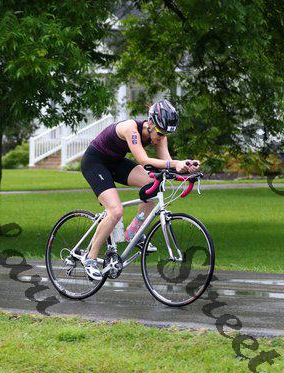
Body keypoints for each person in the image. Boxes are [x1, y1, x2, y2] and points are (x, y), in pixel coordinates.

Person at [80, 99, 200, 280]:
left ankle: (134, 231)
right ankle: (90, 259)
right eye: (160, 132)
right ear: (150, 122)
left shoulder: (159, 134)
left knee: (155, 182)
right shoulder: (131, 128)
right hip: (95, 162)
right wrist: (175, 163)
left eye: (166, 134)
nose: (162, 137)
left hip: (115, 162)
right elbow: (144, 160)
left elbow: (166, 164)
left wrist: (185, 167)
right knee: (115, 211)